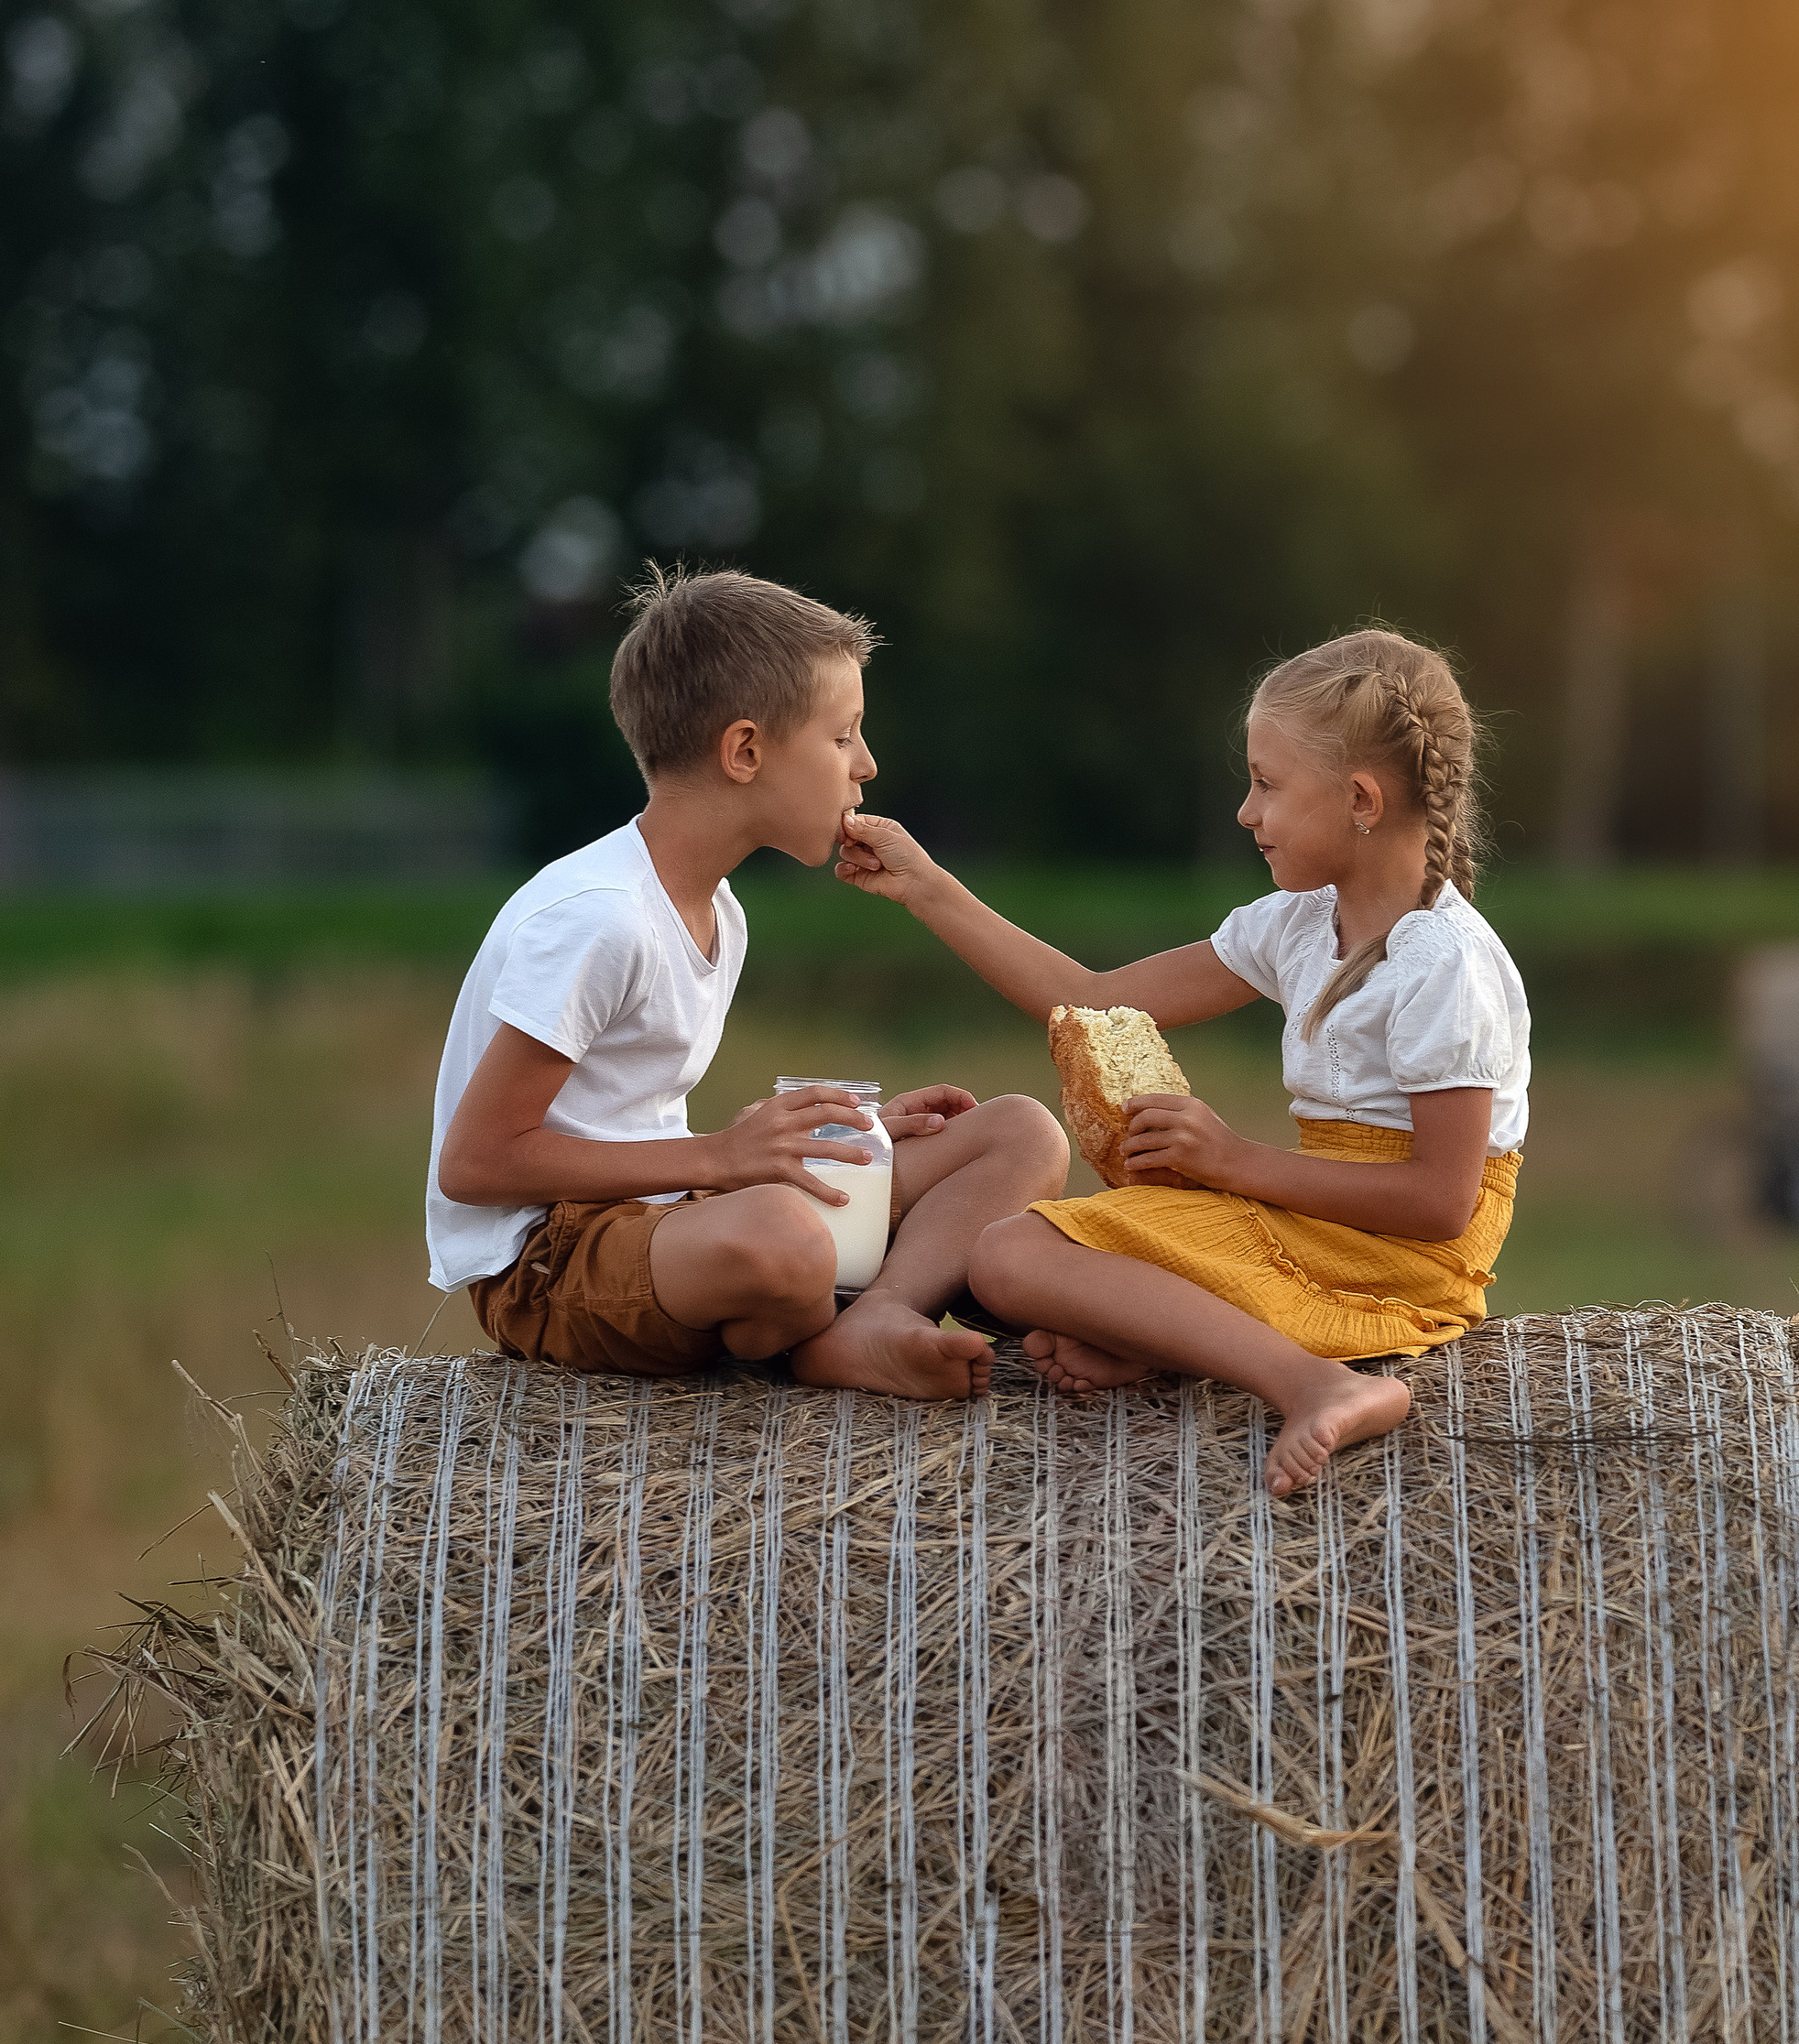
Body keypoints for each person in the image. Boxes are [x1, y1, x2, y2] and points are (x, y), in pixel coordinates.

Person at [835, 627, 1529, 1491]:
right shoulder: (1301, 922)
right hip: (1316, 1223)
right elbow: (1090, 999)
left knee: (1012, 1257)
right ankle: (1149, 1346)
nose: (1246, 812)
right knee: (1014, 1267)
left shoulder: (1442, 962)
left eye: (1268, 785)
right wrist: (926, 885)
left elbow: (1440, 1202)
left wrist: (1233, 1162)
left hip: (1403, 1258)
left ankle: (1317, 1384)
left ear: (1361, 799)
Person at [428, 567, 1069, 1397]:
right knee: (784, 1236)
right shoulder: (601, 917)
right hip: (549, 1258)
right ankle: (815, 1334)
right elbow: (476, 1162)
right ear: (745, 752)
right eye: (843, 737)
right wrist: (728, 1156)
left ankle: (877, 1316)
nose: (866, 766)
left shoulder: (719, 910)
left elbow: (636, 1123)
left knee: (1019, 1133)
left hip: (673, 1214)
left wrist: (852, 1138)